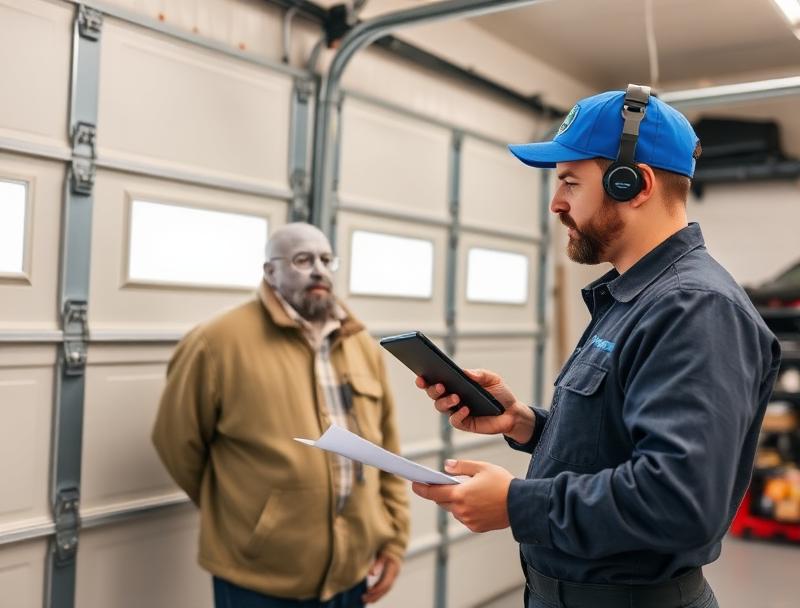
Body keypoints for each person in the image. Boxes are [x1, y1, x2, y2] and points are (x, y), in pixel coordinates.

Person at [411, 85, 780, 608]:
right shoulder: (633, 297)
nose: (556, 203)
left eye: (568, 182)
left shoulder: (694, 308)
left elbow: (680, 500)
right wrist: (524, 423)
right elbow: (620, 440)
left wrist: (519, 504)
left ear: (634, 183)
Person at [152, 222, 409, 608]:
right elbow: (177, 443)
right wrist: (249, 518)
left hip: (352, 572)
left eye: (326, 259)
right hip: (258, 576)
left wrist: (394, 538)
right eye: (302, 259)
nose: (319, 270)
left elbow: (385, 449)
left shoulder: (361, 344)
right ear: (269, 272)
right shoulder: (216, 342)